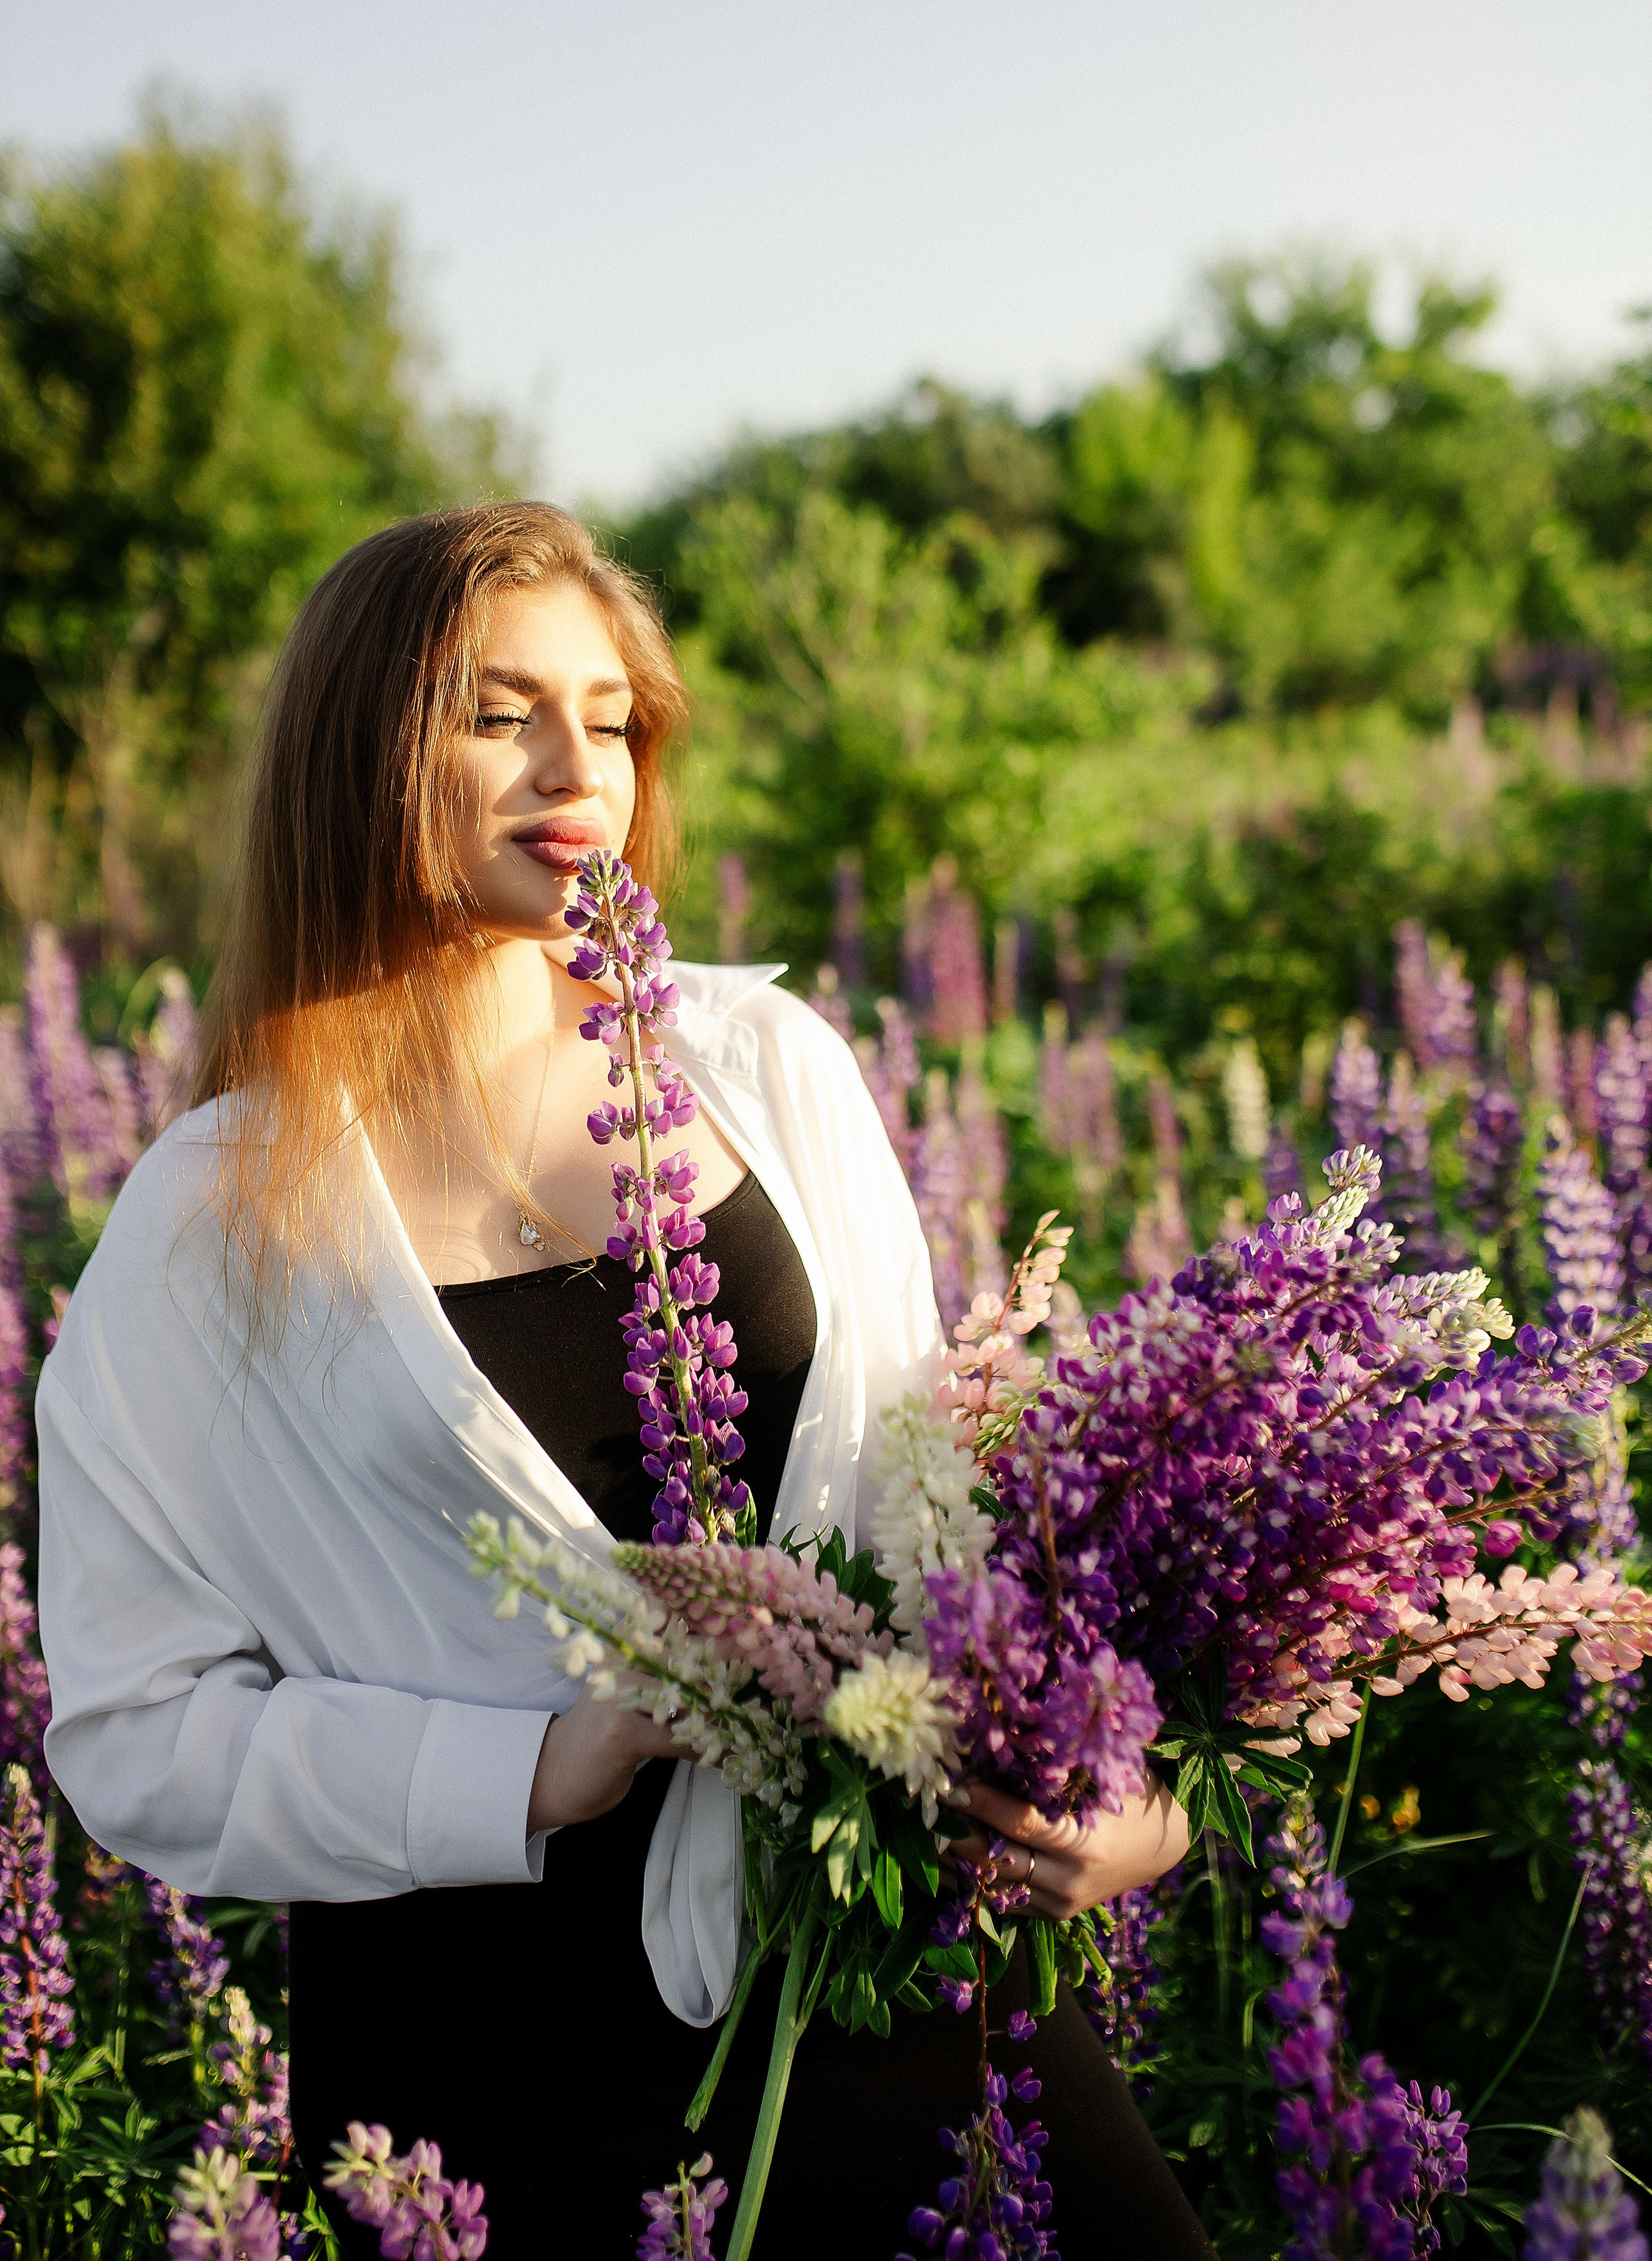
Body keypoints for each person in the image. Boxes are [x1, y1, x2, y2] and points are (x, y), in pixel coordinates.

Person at [34, 503, 1205, 2258]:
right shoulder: (213, 1213)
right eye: (499, 716)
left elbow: (939, 1513)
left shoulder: (764, 1067)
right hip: (496, 2053)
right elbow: (136, 1732)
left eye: (612, 717)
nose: (579, 768)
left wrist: (1114, 1788)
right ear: (361, 756)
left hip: (879, 1951)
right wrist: (527, 1769)